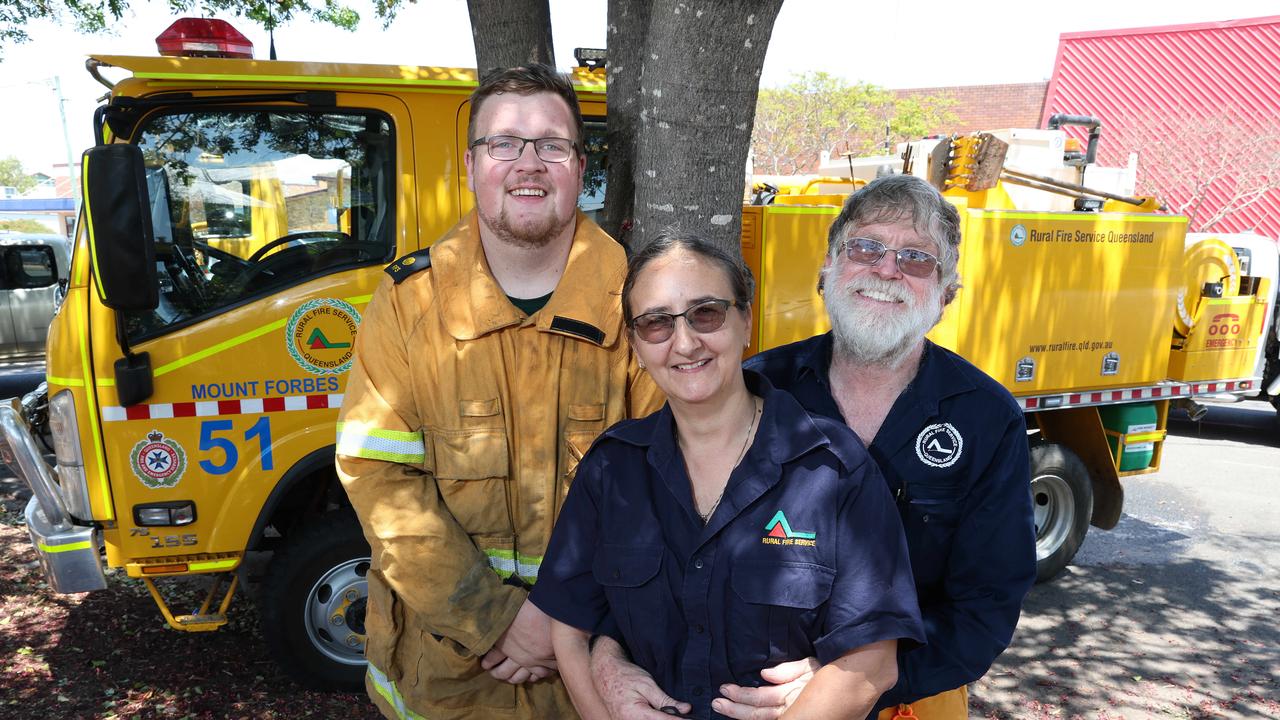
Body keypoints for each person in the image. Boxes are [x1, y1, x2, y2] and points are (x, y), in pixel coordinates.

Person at [591, 174, 1036, 720]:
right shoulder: (751, 386)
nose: (886, 269)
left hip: (917, 697)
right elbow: (660, 545)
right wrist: (606, 651)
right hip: (753, 699)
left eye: (916, 258)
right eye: (866, 247)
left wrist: (845, 682)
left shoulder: (987, 419)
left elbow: (985, 609)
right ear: (826, 272)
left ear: (946, 296)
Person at [336, 63, 661, 720]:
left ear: (579, 165)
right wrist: (494, 621)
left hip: (593, 674)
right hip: (445, 683)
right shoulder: (406, 306)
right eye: (504, 143)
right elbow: (380, 477)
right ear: (471, 164)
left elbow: (674, 490)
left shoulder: (645, 304)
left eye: (551, 144)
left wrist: (563, 621)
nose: (528, 163)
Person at [530, 233, 926, 720]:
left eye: (707, 313)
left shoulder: (833, 468)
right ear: (635, 345)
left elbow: (873, 660)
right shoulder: (612, 468)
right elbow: (570, 628)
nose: (685, 341)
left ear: (746, 323)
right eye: (656, 323)